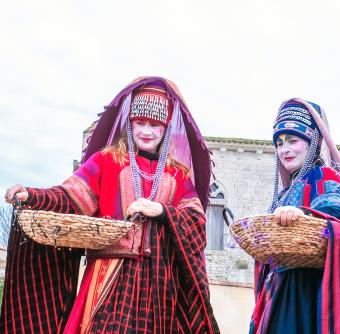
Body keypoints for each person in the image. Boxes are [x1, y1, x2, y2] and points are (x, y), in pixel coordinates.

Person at [3, 76, 220, 333]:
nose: (146, 131)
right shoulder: (107, 161)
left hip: (159, 286)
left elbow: (196, 222)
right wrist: (32, 195)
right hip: (108, 275)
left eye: (154, 125)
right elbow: (70, 197)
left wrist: (162, 211)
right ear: (130, 124)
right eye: (140, 123)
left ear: (165, 129)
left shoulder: (177, 175)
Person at [249, 98, 340, 334]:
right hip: (279, 289)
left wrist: (304, 214)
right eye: (279, 143)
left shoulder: (324, 175)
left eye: (292, 140)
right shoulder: (284, 192)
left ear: (312, 142)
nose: (284, 149)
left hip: (308, 292)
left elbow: (337, 213)